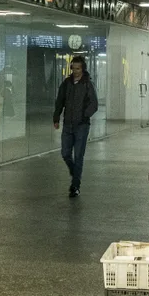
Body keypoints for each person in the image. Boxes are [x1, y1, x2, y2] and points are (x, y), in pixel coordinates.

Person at [53, 55, 99, 197]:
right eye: (73, 68)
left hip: (81, 126)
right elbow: (60, 101)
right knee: (65, 153)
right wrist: (56, 117)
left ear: (82, 69)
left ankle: (75, 186)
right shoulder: (66, 83)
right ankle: (75, 173)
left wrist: (85, 116)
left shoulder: (87, 84)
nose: (76, 71)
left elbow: (94, 104)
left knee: (78, 156)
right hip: (68, 125)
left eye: (78, 68)